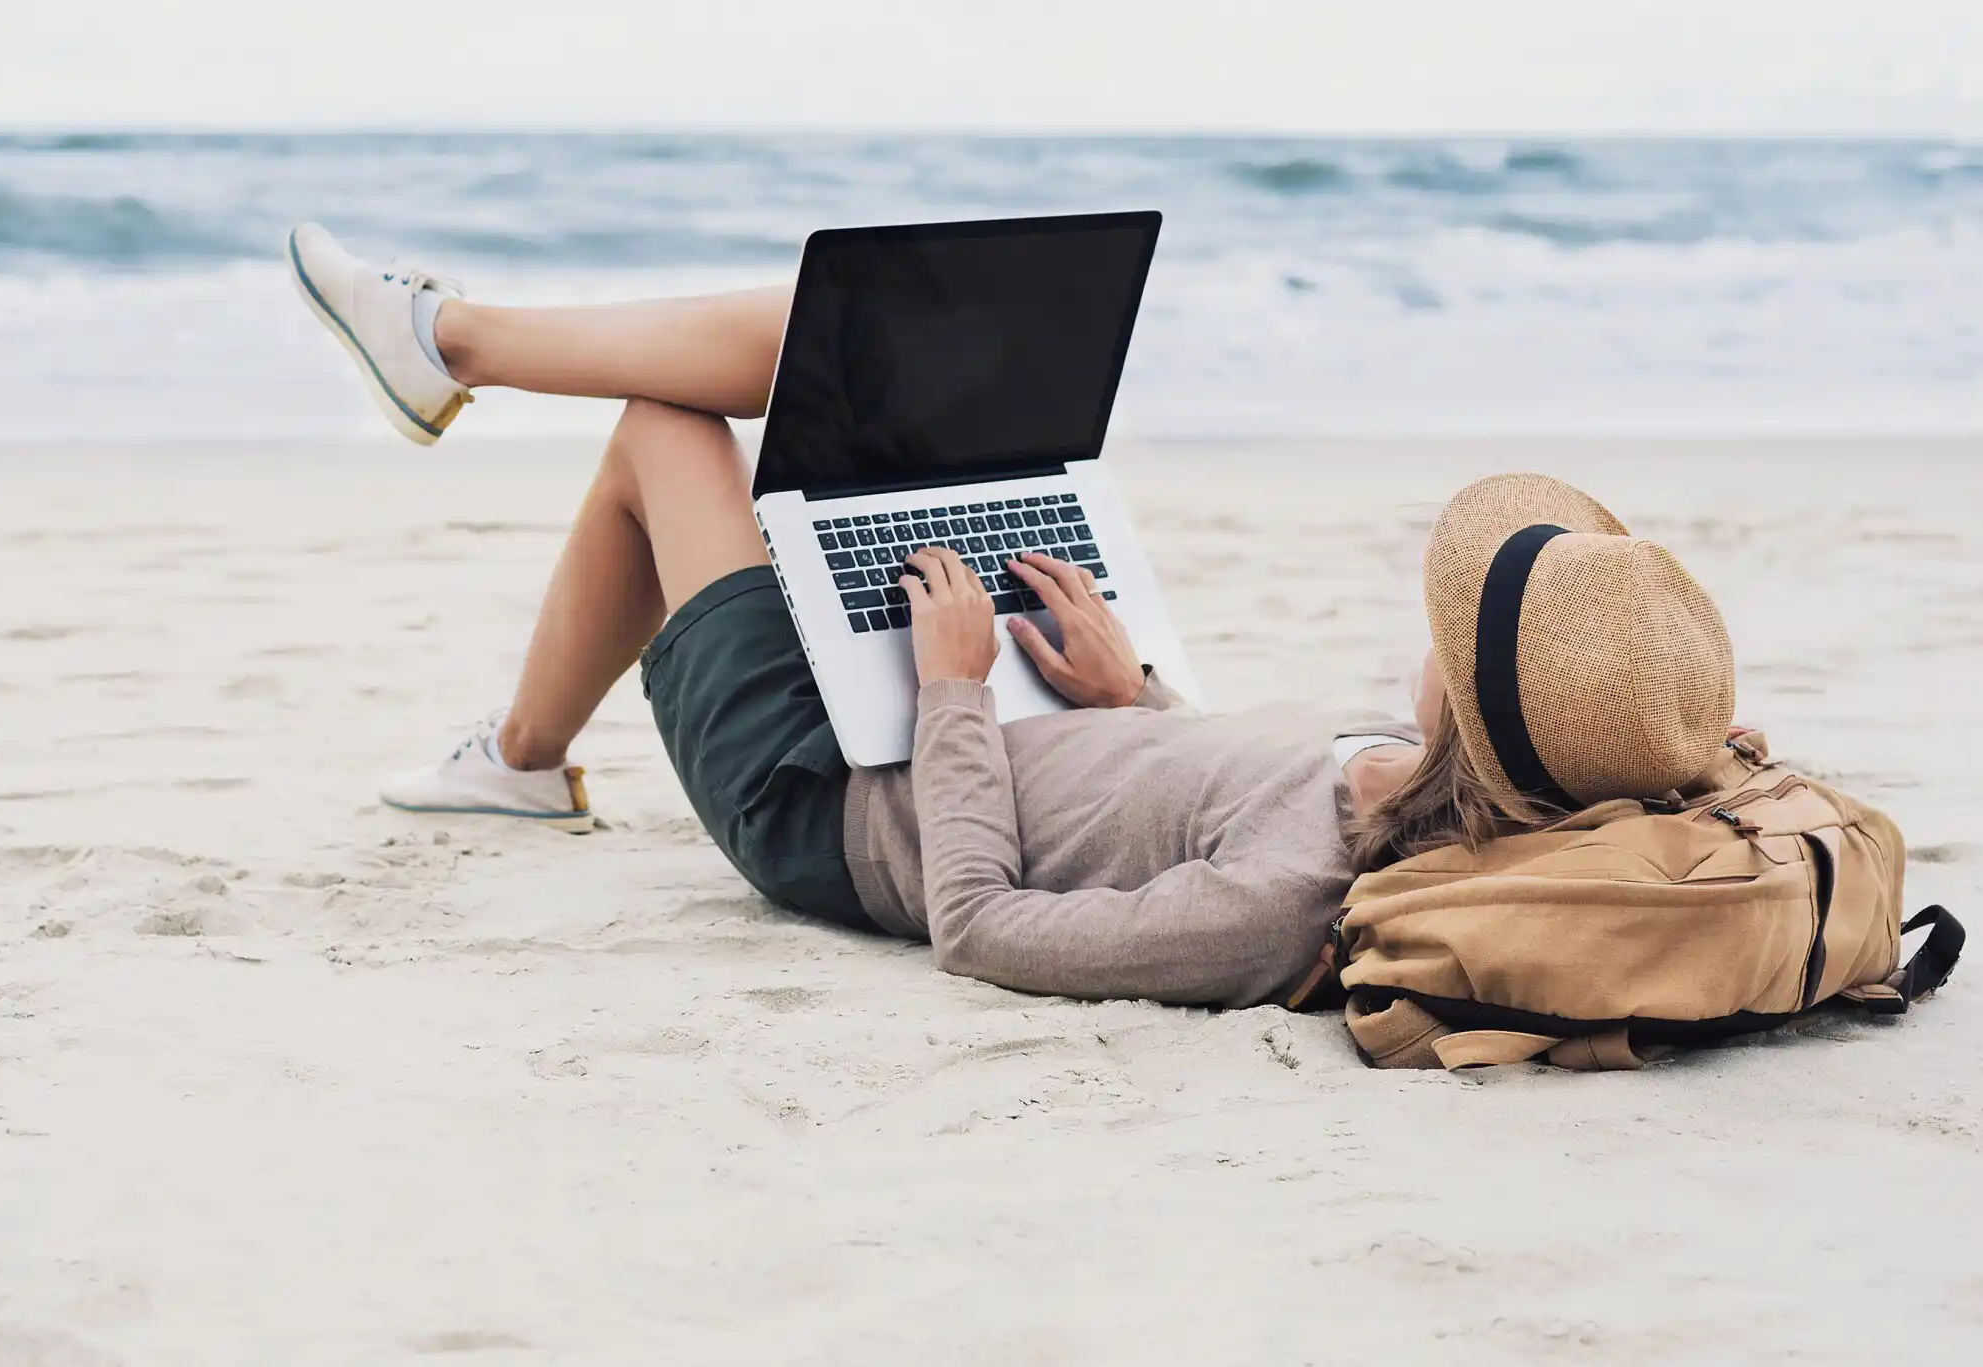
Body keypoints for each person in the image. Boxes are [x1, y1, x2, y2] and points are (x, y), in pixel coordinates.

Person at [286, 223, 1739, 1008]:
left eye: (1465, 618)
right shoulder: (1386, 771)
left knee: (666, 428)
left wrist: (958, 691)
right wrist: (1127, 694)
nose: (1437, 618)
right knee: (818, 340)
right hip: (981, 715)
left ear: (1474, 712)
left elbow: (979, 927)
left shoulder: (1281, 902)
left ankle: (461, 401)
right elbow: (1168, 794)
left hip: (833, 804)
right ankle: (516, 724)